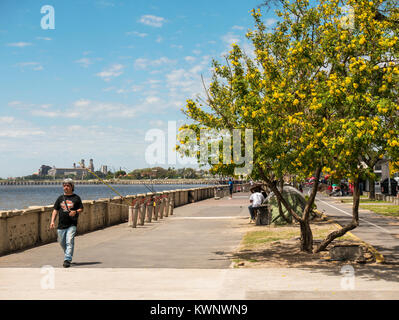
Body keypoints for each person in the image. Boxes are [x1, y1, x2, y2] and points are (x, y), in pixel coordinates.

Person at [50, 178, 84, 268]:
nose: (65, 187)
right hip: (61, 225)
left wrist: (75, 212)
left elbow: (81, 209)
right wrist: (52, 221)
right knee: (61, 242)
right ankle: (68, 254)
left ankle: (67, 259)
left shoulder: (76, 198)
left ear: (72, 187)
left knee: (69, 241)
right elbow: (55, 210)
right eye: (64, 186)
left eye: (68, 186)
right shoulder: (60, 198)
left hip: (72, 224)